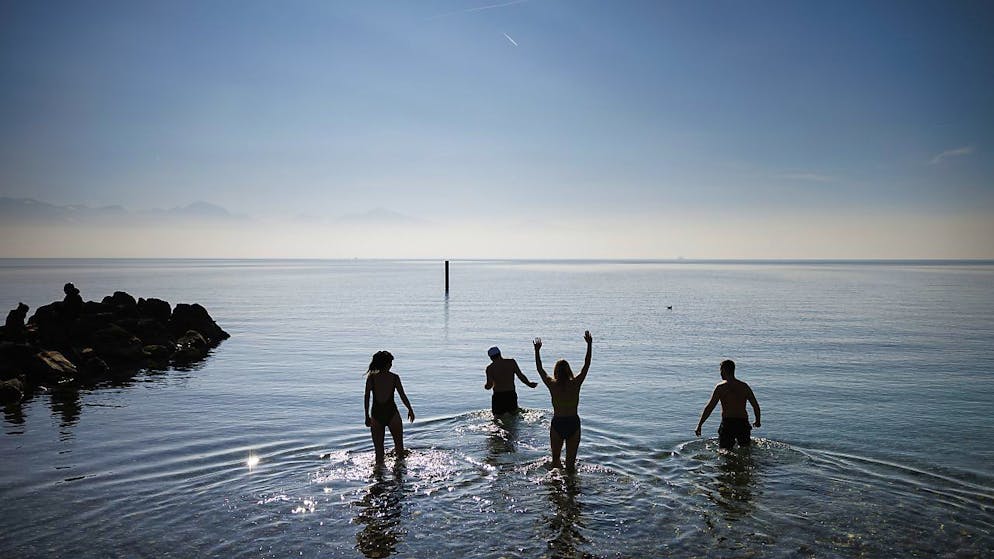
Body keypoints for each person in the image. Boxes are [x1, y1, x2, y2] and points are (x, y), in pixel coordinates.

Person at [534, 331, 592, 470]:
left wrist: (537, 351)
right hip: (573, 422)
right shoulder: (576, 383)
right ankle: (571, 489)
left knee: (555, 462)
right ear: (569, 371)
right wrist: (589, 345)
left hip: (558, 423)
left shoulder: (552, 384)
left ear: (556, 372)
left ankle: (556, 489)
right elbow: (586, 365)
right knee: (570, 465)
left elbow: (540, 369)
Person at [695, 359, 761, 449]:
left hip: (728, 423)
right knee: (745, 450)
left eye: (721, 370)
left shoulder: (720, 388)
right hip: (742, 423)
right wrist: (757, 421)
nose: (720, 373)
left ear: (725, 370)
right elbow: (755, 406)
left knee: (724, 451)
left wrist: (700, 425)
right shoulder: (744, 386)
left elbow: (710, 407)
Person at [363, 351, 415, 463]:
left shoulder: (371, 378)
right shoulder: (394, 378)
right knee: (399, 449)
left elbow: (366, 398)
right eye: (390, 362)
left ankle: (379, 477)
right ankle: (399, 475)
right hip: (392, 414)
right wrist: (410, 409)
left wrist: (367, 416)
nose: (391, 365)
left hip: (376, 414)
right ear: (386, 364)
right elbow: (402, 395)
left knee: (379, 453)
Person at [484, 346, 538, 417]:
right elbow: (520, 376)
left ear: (490, 357)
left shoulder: (490, 368)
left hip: (498, 396)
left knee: (498, 418)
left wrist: (486, 386)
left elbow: (489, 385)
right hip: (511, 394)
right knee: (513, 416)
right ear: (500, 353)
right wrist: (529, 384)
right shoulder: (511, 362)